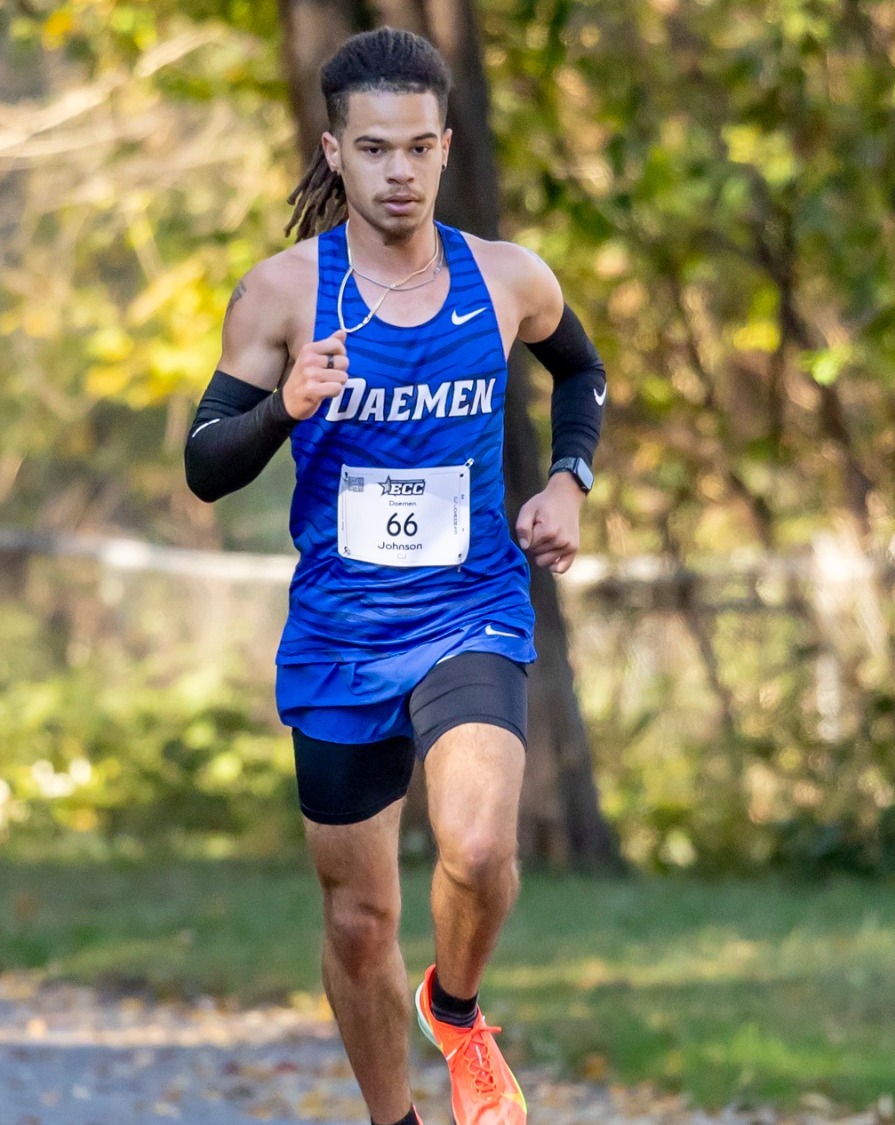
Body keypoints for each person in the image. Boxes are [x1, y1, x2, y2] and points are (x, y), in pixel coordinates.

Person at [182, 26, 606, 1125]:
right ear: (334, 153)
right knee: (358, 922)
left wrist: (566, 480)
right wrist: (284, 406)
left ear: (445, 147)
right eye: (375, 150)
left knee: (475, 845)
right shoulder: (280, 296)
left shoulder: (506, 279)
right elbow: (203, 464)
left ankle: (457, 1011)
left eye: (419, 148)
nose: (400, 172)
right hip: (338, 633)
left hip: (469, 606)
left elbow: (580, 370)